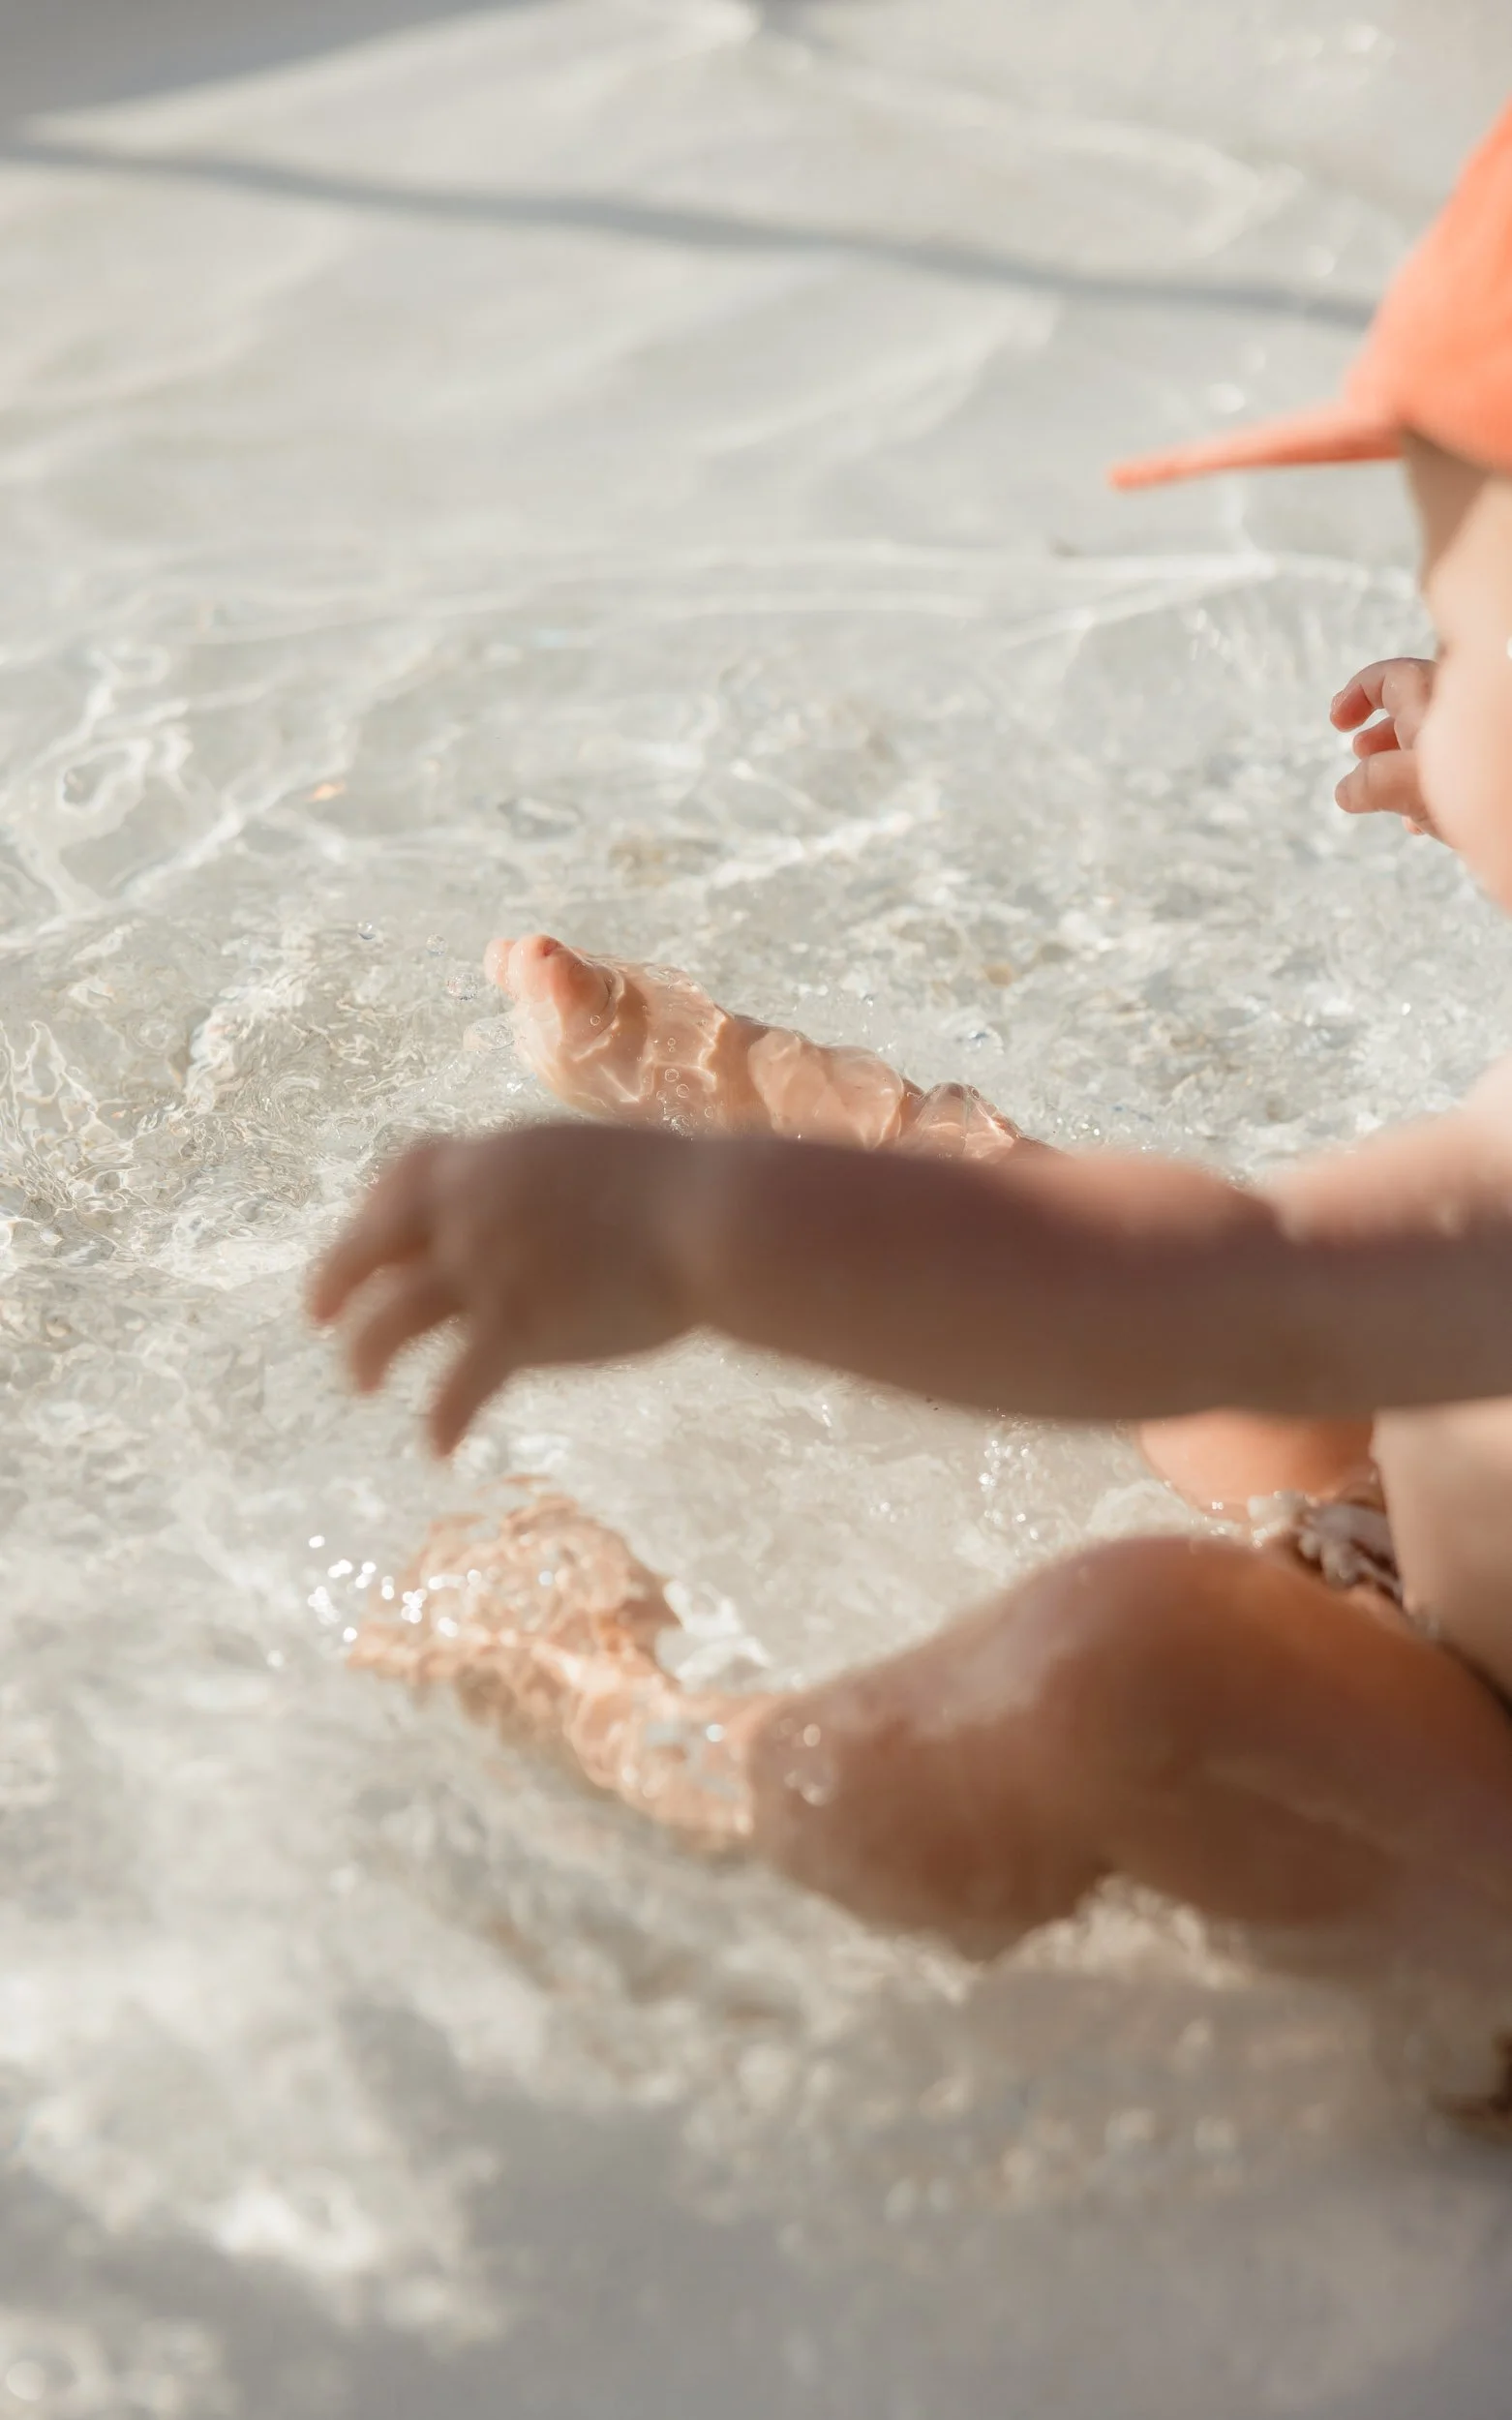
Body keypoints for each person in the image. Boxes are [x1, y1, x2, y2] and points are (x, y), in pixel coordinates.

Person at [310, 105, 1512, 2002]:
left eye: (1452, 617)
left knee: (1140, 1635)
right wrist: (1475, 765)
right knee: (1291, 1373)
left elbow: (1199, 1295)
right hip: (1457, 1576)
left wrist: (696, 1246)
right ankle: (830, 1125)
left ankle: (682, 1737)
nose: (1420, 667)